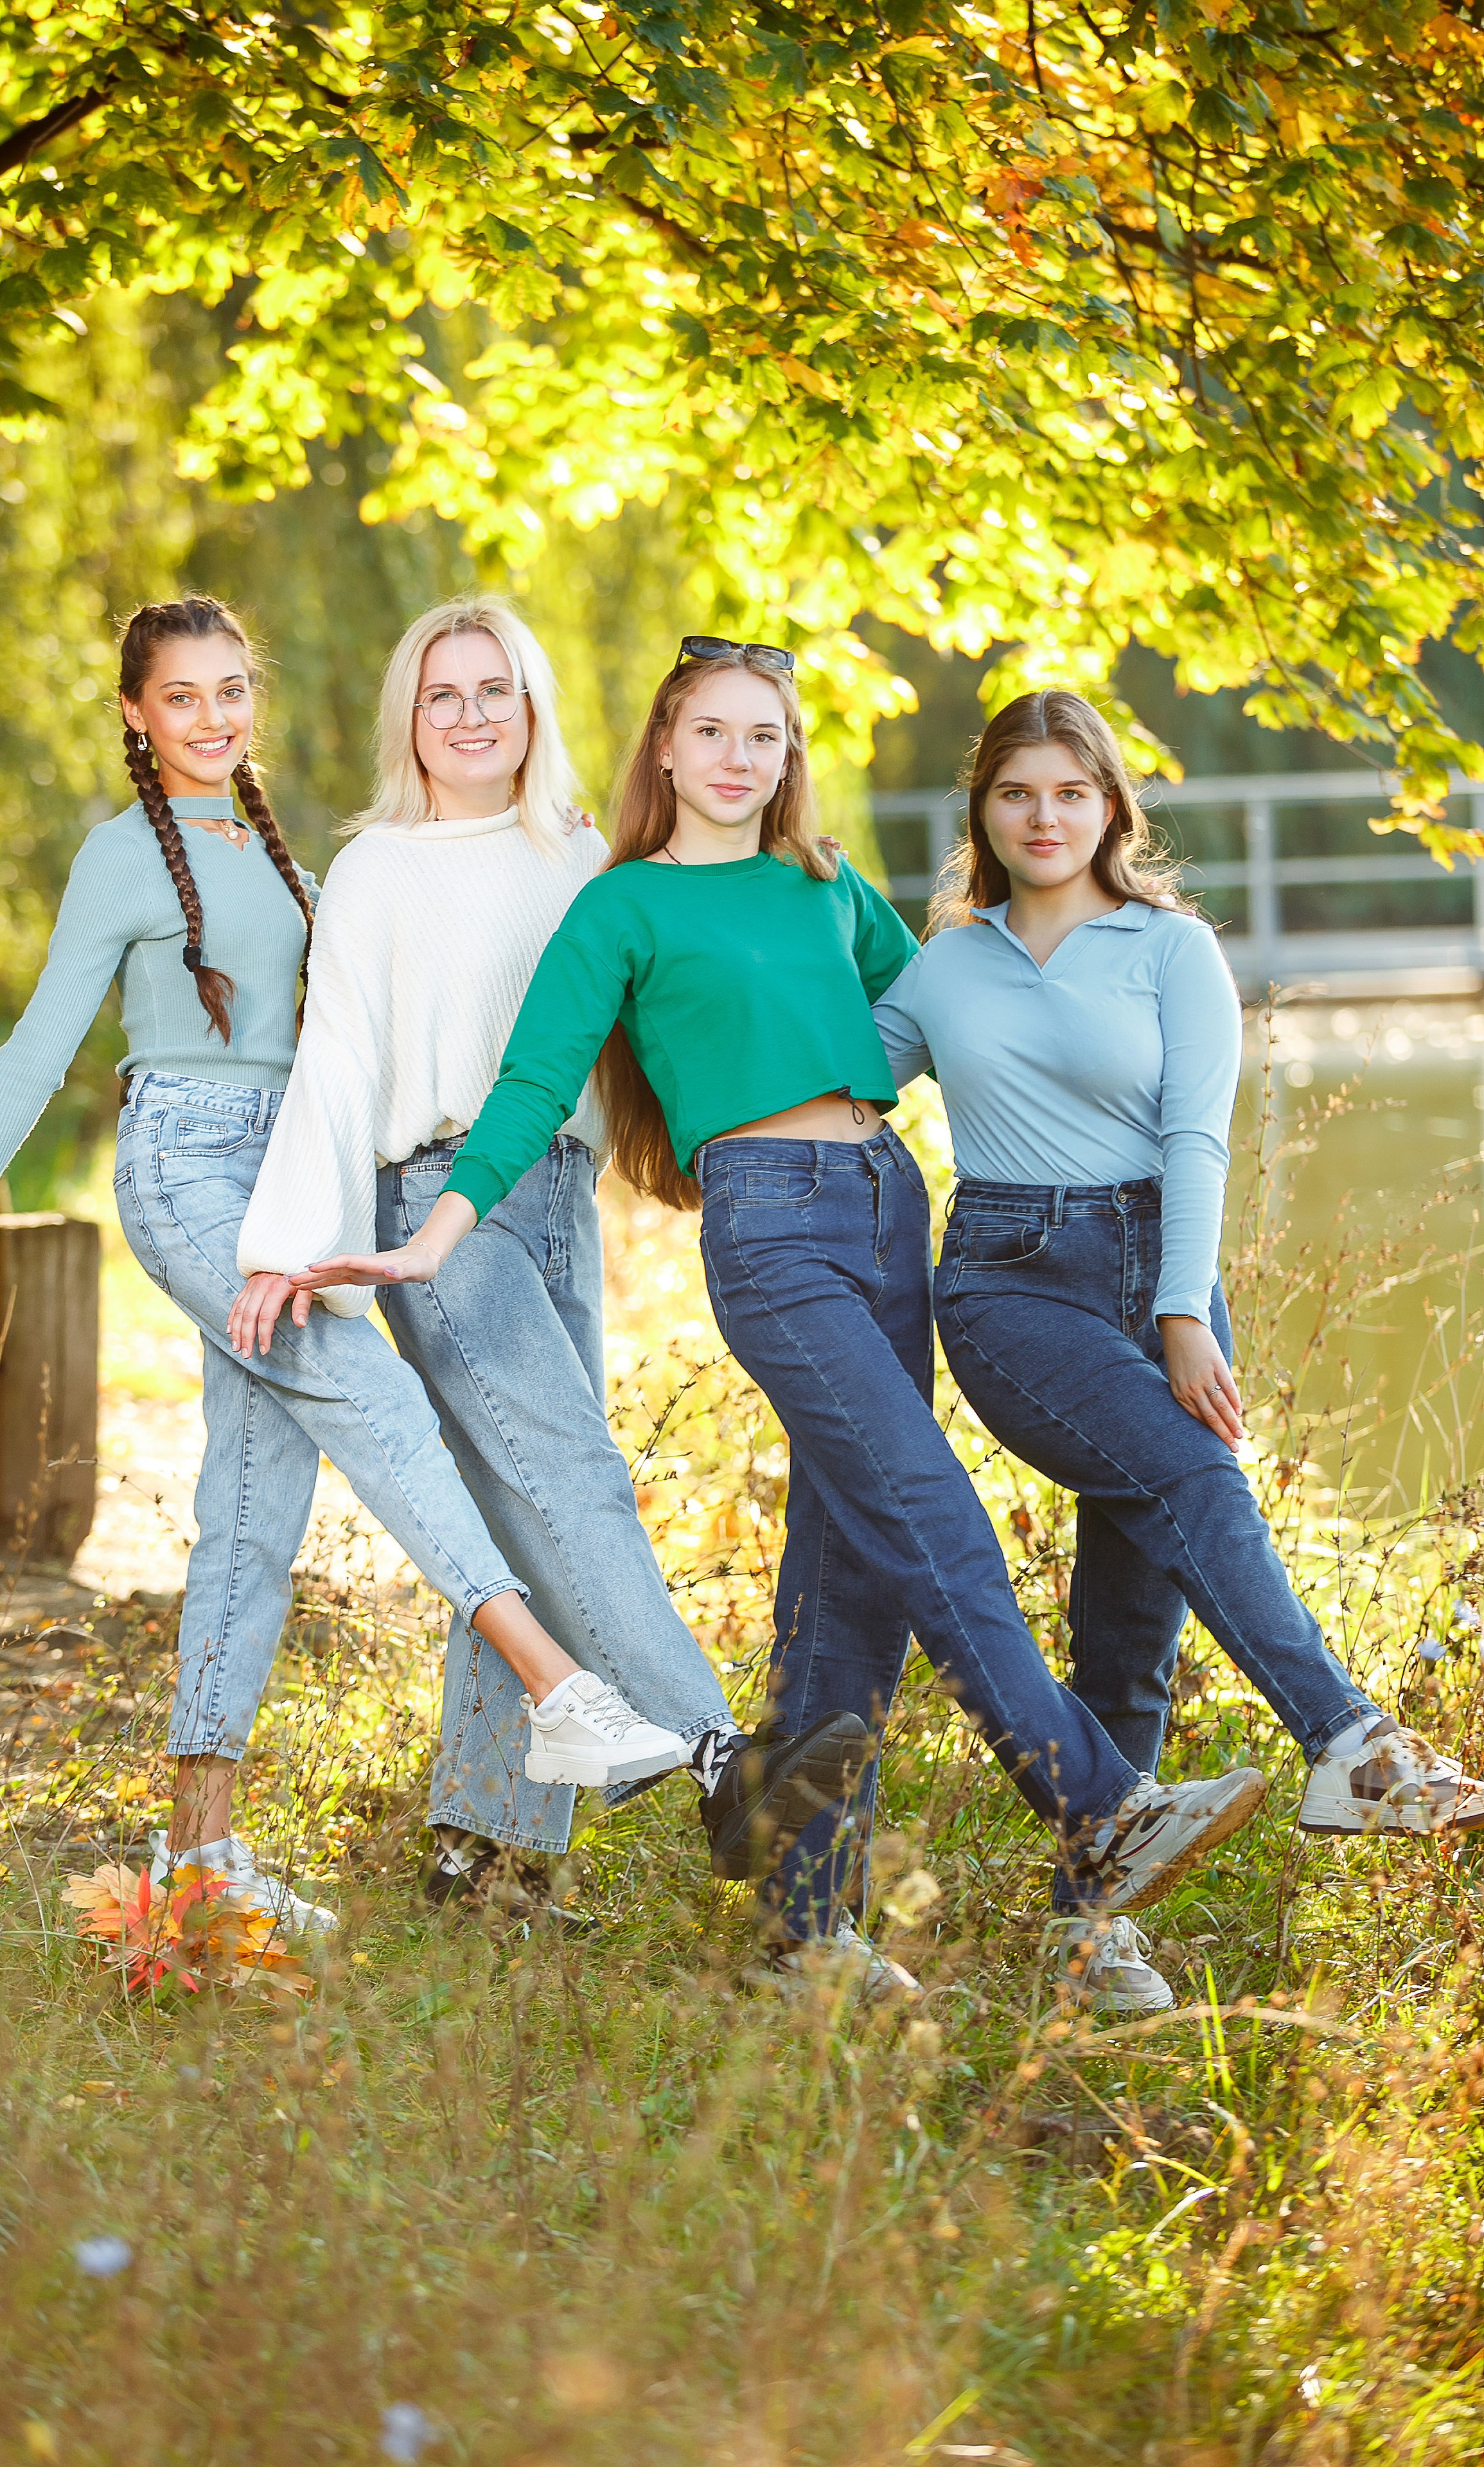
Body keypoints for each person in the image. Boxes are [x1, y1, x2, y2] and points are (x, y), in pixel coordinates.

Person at [275, 638, 1269, 2000]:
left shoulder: (827, 885)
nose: (739, 758)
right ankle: (1092, 1800)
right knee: (927, 1506)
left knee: (850, 1562)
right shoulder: (621, 905)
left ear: (787, 757)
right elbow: (532, 1083)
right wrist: (432, 1237)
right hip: (770, 1226)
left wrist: (1102, 1148)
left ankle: (806, 1932)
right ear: (665, 748)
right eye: (713, 732)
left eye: (765, 737)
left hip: (887, 1205)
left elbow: (949, 1016)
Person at [0, 594, 689, 1932]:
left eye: (231, 689)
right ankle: (556, 1688)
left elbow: (366, 1019)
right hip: (185, 1170)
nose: (211, 716)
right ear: (136, 714)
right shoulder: (124, 854)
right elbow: (42, 1039)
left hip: (285, 1173)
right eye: (180, 696)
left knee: (251, 1505)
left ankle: (199, 1852)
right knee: (383, 1402)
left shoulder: (278, 847)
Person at [229, 596, 863, 1916]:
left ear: (533, 710)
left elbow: (663, 992)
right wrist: (288, 1242)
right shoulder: (375, 868)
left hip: (560, 1196)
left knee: (522, 1498)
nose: (471, 716)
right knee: (572, 1480)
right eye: (443, 694)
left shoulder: (578, 854)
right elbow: (335, 1059)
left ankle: (486, 1848)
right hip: (438, 1202)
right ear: (410, 717)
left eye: (496, 691)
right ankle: (718, 1760)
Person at [872, 687, 1484, 2014]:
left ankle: (1084, 1932)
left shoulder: (1169, 948)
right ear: (982, 809)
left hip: (1163, 1279)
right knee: (1195, 1479)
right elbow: (839, 1081)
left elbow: (1196, 1139)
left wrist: (1182, 1309)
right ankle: (1350, 1743)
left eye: (1069, 793)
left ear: (1111, 808)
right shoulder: (945, 966)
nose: (1043, 818)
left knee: (1130, 1623)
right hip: (1009, 1284)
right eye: (1015, 794)